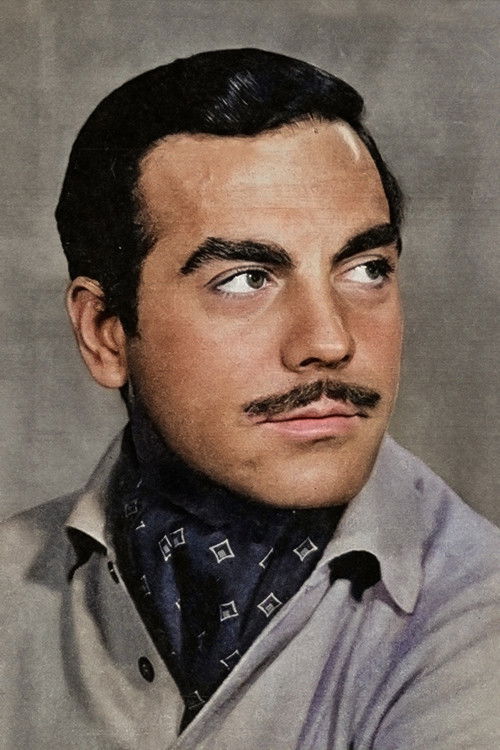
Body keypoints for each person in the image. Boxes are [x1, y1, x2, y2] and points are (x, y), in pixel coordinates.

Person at [0, 48, 498, 750]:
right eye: (245, 280)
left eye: (366, 269)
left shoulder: (479, 615)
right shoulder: (11, 587)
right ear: (106, 333)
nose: (329, 341)